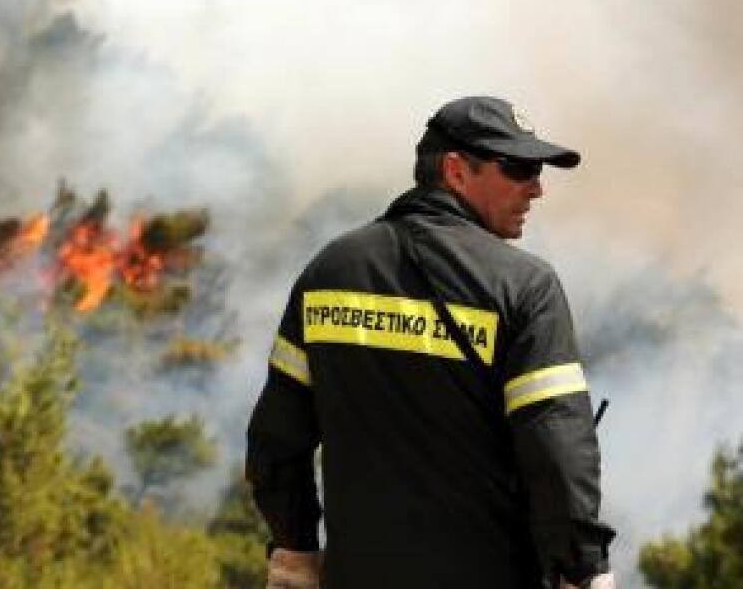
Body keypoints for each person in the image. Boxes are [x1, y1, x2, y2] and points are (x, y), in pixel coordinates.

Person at [246, 96, 616, 588]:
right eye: (518, 168)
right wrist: (583, 570)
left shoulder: (330, 269)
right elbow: (557, 451)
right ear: (456, 171)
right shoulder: (526, 287)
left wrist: (294, 553)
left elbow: (277, 443)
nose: (537, 189)